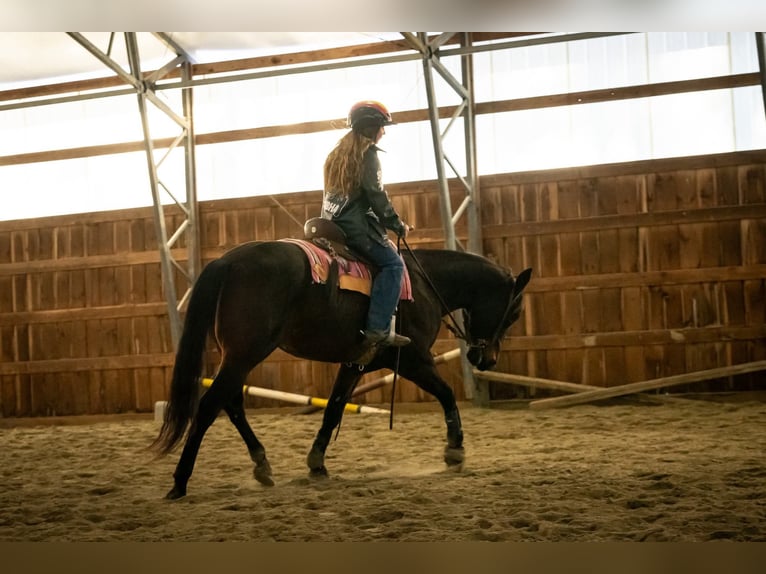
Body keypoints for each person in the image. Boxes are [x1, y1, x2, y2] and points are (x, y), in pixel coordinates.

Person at [321, 100, 412, 356]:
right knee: (393, 265)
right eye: (382, 126)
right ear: (371, 128)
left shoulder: (335, 156)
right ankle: (377, 328)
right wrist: (397, 225)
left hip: (330, 226)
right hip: (356, 230)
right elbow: (376, 195)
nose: (384, 132)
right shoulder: (368, 155)